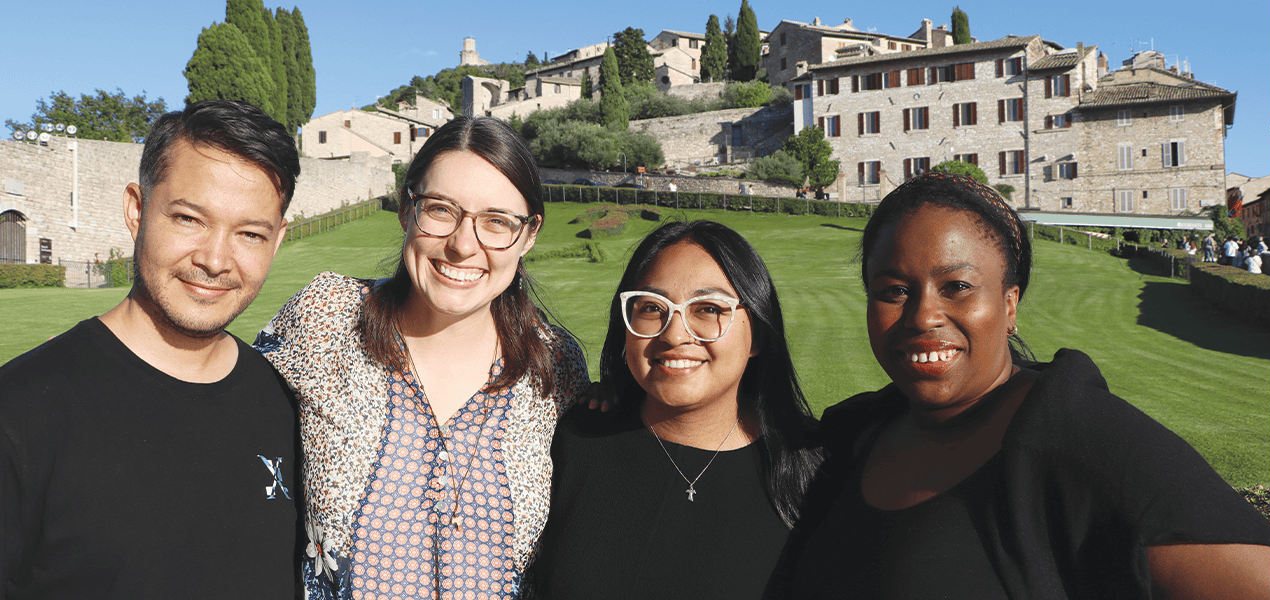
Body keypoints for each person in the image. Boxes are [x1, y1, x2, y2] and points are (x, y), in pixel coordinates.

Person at [787, 173, 1270, 599]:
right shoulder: (852, 436)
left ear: (1010, 304)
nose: (922, 316)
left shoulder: (1081, 436)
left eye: (956, 286)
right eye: (893, 291)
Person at [256, 116, 589, 599]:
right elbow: (222, 406)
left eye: (497, 221)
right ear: (406, 209)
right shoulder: (326, 318)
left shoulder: (556, 364)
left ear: (529, 234)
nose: (462, 244)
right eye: (439, 210)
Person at [0, 100, 302, 597]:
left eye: (250, 233)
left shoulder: (286, 405)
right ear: (136, 211)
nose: (215, 259)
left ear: (276, 241)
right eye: (188, 219)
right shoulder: (23, 409)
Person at [528, 220, 823, 599]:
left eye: (708, 308)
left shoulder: (815, 468)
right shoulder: (573, 440)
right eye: (652, 307)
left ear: (758, 336)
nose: (674, 334)